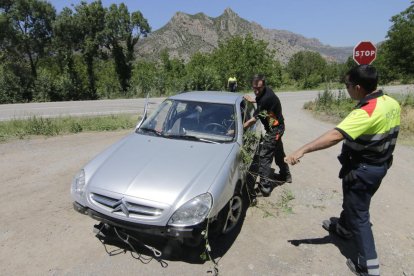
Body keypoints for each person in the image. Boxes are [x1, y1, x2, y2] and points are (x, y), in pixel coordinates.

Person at [284, 65, 401, 276]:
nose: (346, 88)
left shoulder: (366, 111)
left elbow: (335, 135)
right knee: (355, 202)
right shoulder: (390, 102)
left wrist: (302, 149)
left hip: (363, 170)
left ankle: (369, 267)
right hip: (380, 166)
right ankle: (344, 230)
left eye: (347, 85)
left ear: (357, 87)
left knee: (359, 215)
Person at [244, 74, 291, 197]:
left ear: (264, 85)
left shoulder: (266, 98)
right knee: (278, 152)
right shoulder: (264, 93)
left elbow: (254, 119)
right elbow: (260, 100)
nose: (256, 90)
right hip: (276, 127)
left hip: (275, 130)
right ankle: (285, 175)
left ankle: (264, 187)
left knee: (264, 156)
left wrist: (240, 128)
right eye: (254, 87)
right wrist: (253, 99)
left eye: (259, 88)